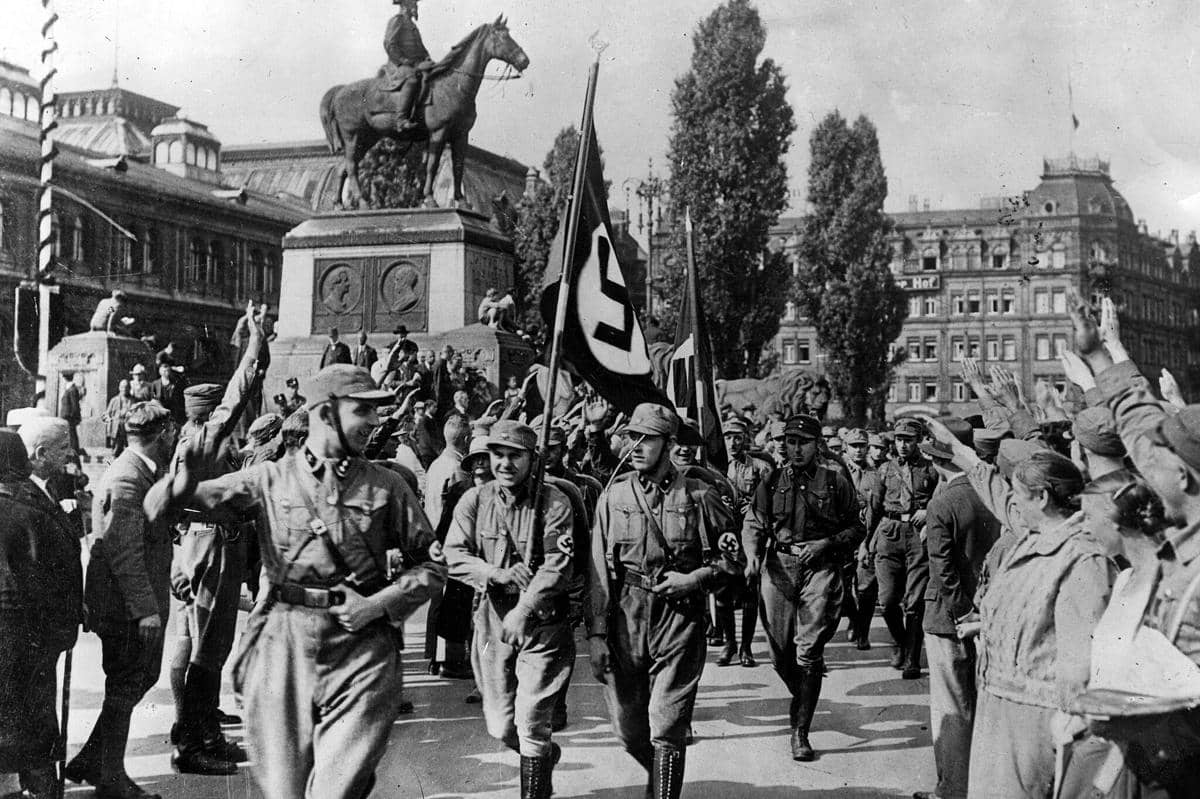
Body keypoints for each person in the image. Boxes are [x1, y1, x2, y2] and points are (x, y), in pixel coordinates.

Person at [143, 364, 446, 799]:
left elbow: (433, 568)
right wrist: (182, 479)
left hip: (359, 649)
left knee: (337, 786)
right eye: (363, 411)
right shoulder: (269, 479)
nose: (375, 423)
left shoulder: (388, 486)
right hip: (284, 649)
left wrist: (378, 604)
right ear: (325, 413)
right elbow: (165, 508)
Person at [923, 416, 1113, 798]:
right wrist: (956, 449)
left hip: (1037, 721)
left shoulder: (1081, 559)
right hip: (999, 706)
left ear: (1041, 498)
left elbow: (1082, 667)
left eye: (1018, 494)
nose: (1009, 503)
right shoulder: (1034, 532)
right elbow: (993, 489)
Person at [588, 403, 740, 799]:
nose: (635, 446)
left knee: (667, 724)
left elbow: (733, 559)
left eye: (646, 439)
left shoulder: (700, 494)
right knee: (628, 729)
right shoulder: (614, 496)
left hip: (679, 618)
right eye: (631, 437)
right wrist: (597, 634)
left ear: (670, 444)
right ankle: (660, 780)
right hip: (627, 613)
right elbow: (598, 572)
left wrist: (695, 579)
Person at [443, 421, 576, 798]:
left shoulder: (554, 502)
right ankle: (542, 756)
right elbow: (454, 554)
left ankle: (535, 773)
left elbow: (558, 565)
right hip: (491, 623)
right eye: (497, 455)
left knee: (531, 722)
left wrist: (526, 605)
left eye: (514, 456)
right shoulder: (475, 500)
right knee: (501, 726)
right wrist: (495, 573)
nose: (503, 463)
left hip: (542, 624)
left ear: (532, 460)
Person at [165, 304, 268, 775]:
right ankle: (192, 744)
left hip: (203, 543)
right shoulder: (205, 440)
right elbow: (241, 390)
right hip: (211, 545)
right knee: (208, 648)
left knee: (213, 646)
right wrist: (253, 341)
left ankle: (205, 732)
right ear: (211, 416)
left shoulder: (187, 440)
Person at [65, 401, 177, 799]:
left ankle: (95, 761)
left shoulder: (141, 472)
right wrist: (146, 610)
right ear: (163, 435)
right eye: (171, 433)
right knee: (129, 680)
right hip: (125, 606)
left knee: (136, 679)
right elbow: (123, 552)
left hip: (129, 602)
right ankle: (110, 777)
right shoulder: (128, 480)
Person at [743, 413, 865, 762]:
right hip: (779, 568)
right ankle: (804, 694)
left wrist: (826, 543)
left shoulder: (835, 480)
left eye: (803, 443)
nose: (795, 449)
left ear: (817, 445)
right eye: (790, 442)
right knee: (780, 654)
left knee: (807, 651)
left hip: (820, 569)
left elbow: (856, 527)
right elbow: (755, 521)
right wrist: (752, 554)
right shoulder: (772, 479)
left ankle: (800, 730)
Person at [911, 418, 1000, 799]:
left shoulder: (943, 501)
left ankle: (951, 789)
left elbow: (942, 568)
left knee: (950, 707)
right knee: (983, 704)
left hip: (949, 617)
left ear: (937, 461)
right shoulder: (994, 494)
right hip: (990, 614)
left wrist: (962, 612)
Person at [0, 423, 82, 799]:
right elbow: (62, 574)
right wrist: (64, 632)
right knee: (33, 718)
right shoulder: (32, 511)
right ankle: (37, 786)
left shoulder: (29, 507)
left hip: (19, 633)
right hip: (29, 635)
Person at [875, 418, 939, 678]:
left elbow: (941, 498)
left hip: (917, 535)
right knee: (888, 600)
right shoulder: (884, 469)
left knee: (914, 601)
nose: (902, 445)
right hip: (889, 532)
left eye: (908, 440)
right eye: (899, 439)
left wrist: (928, 511)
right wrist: (868, 542)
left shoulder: (931, 469)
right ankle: (901, 642)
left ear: (918, 441)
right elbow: (874, 506)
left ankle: (912, 658)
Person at [719, 417, 771, 667]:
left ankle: (746, 647)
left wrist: (752, 506)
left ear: (746, 439)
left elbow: (768, 503)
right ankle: (729, 643)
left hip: (751, 534)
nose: (733, 442)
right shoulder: (716, 467)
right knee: (723, 593)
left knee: (750, 591)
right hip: (725, 537)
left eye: (738, 437)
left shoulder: (760, 468)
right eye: (728, 437)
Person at [843, 427, 883, 650]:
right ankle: (853, 618)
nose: (858, 450)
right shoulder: (837, 472)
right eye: (854, 446)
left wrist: (870, 540)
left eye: (862, 446)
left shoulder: (877, 474)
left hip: (867, 537)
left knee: (866, 588)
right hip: (843, 538)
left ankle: (863, 632)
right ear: (845, 448)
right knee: (840, 586)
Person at [381, 0, 432, 134]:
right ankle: (401, 120)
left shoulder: (413, 26)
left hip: (415, 64)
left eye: (415, 4)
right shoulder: (397, 20)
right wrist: (404, 60)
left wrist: (427, 58)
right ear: (405, 6)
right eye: (413, 4)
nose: (416, 7)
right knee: (412, 79)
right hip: (398, 64)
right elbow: (389, 44)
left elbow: (420, 47)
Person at [103, 380, 135, 457]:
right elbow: (107, 414)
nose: (124, 389)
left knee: (129, 452)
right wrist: (111, 423)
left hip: (128, 429)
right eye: (122, 387)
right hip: (117, 429)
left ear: (129, 388)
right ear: (119, 388)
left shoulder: (133, 401)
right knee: (116, 451)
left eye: (126, 387)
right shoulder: (114, 400)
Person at [59, 372, 85, 462]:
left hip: (69, 418)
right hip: (66, 418)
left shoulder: (72, 389)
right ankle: (71, 454)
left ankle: (74, 454)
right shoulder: (69, 388)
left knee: (72, 437)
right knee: (69, 436)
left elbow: (75, 406)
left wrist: (73, 417)